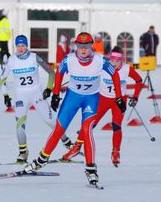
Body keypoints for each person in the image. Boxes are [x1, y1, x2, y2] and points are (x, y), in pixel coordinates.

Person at [23, 32, 126, 185]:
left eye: (86, 47)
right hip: (72, 98)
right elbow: (59, 74)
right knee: (59, 129)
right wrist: (56, 94)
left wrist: (118, 97)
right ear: (76, 46)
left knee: (87, 129)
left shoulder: (100, 61)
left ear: (92, 46)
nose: (83, 50)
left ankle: (90, 168)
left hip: (91, 99)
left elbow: (115, 76)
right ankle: (42, 159)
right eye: (80, 46)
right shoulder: (69, 60)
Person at [61, 46, 143, 166]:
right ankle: (76, 147)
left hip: (119, 101)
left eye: (117, 61)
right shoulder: (104, 67)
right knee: (89, 124)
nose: (114, 64)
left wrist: (135, 97)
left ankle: (116, 152)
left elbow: (139, 80)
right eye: (112, 61)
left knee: (117, 126)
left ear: (122, 61)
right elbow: (88, 74)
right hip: (102, 99)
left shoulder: (126, 69)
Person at [0, 35, 74, 163]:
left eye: (23, 45)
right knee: (19, 125)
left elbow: (51, 72)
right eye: (18, 46)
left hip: (37, 94)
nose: (21, 48)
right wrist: (5, 95)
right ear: (15, 47)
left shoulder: (34, 57)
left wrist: (48, 89)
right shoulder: (12, 60)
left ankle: (67, 142)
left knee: (50, 120)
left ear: (27, 46)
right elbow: (2, 79)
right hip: (21, 97)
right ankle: (23, 153)